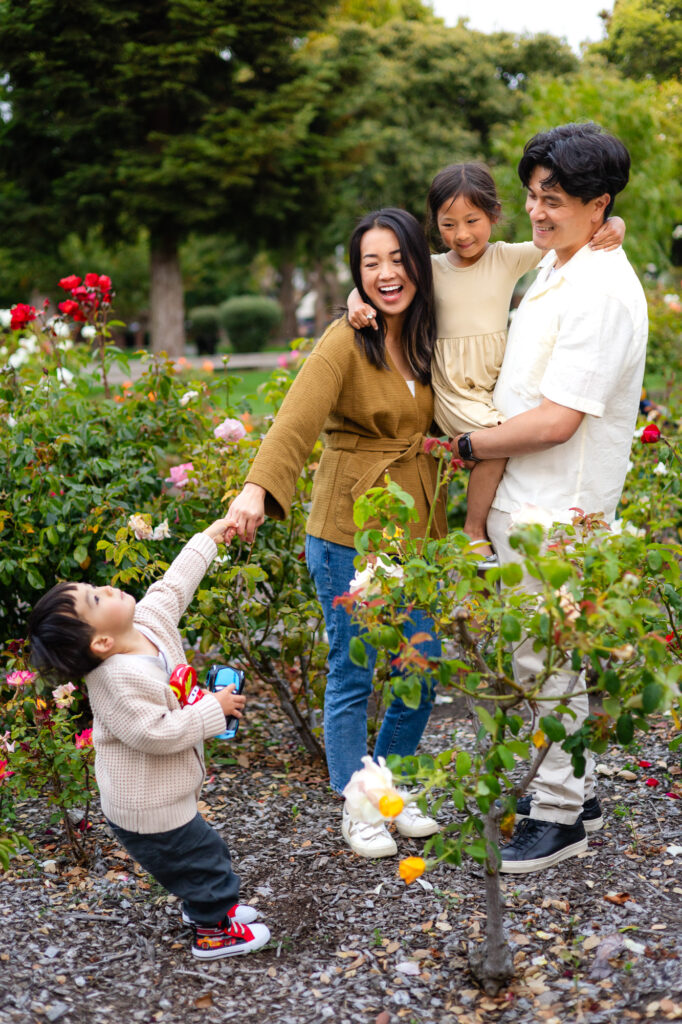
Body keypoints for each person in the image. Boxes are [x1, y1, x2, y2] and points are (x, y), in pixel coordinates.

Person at [453, 122, 647, 873]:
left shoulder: (601, 289)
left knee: (547, 668)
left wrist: (469, 446)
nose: (537, 213)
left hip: (553, 513)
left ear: (597, 205)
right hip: (525, 502)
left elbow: (561, 419)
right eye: (534, 196)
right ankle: (580, 792)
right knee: (539, 661)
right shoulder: (567, 260)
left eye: (555, 201)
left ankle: (560, 817)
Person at [225, 208, 446, 858]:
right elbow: (295, 419)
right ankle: (358, 805)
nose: (385, 274)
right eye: (369, 263)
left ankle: (387, 787)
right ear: (357, 273)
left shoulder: (427, 335)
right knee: (355, 672)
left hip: (413, 534)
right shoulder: (345, 339)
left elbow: (483, 259)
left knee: (422, 665)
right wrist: (256, 490)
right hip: (348, 530)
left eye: (396, 259)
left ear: (416, 262)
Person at [349, 163, 624, 563]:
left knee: (506, 437)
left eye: (472, 220)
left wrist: (615, 221)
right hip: (455, 386)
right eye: (448, 224)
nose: (461, 234)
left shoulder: (507, 258)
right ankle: (474, 530)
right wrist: (357, 304)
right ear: (435, 225)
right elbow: (375, 279)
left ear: (494, 214)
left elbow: (572, 238)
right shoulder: (431, 268)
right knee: (497, 442)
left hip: (492, 383)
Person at [27, 518, 271, 960]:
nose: (105, 587)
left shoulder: (145, 625)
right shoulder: (116, 679)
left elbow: (172, 587)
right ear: (101, 641)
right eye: (95, 598)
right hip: (145, 806)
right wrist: (212, 710)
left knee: (194, 859)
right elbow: (154, 733)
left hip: (165, 794)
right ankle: (213, 929)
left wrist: (209, 540)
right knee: (204, 859)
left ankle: (205, 906)